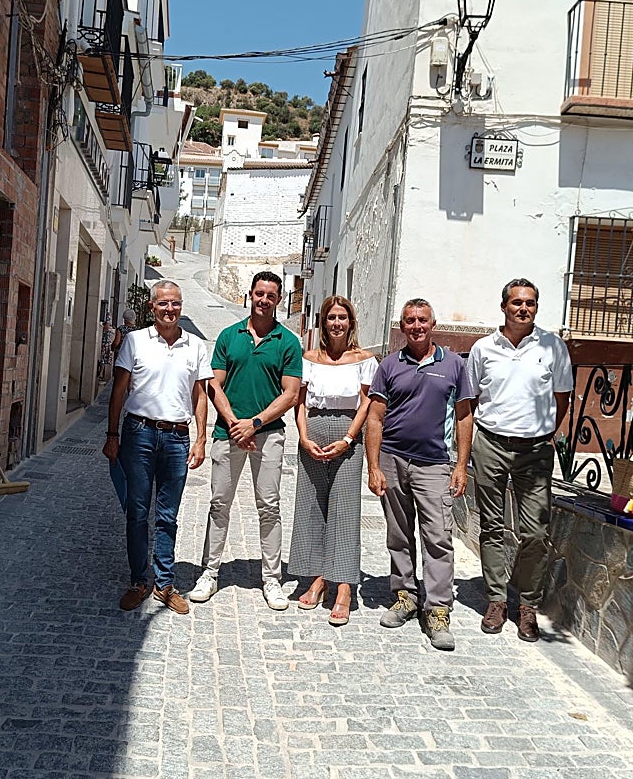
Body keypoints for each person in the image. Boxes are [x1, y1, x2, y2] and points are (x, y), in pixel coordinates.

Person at [466, 278, 573, 642]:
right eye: (516, 303)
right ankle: (496, 600)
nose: (523, 309)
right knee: (492, 527)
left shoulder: (552, 346)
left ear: (536, 308)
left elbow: (563, 399)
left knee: (536, 532)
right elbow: (470, 401)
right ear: (504, 306)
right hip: (491, 444)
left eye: (530, 303)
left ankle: (527, 604)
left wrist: (543, 432)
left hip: (535, 450)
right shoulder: (483, 349)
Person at [189, 271, 302, 610]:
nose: (264, 300)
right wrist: (236, 425)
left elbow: (291, 394)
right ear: (249, 295)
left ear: (278, 299)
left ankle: (271, 579)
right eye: (259, 293)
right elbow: (214, 385)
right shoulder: (229, 336)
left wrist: (254, 424)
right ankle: (209, 573)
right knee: (218, 504)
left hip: (268, 436)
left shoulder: (288, 341)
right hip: (228, 434)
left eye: (270, 295)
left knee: (269, 506)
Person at [366, 298, 474, 651]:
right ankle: (405, 596)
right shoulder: (389, 366)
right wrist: (374, 466)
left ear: (433, 323)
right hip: (394, 459)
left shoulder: (455, 365)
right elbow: (375, 417)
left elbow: (463, 416)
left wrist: (461, 465)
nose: (416, 326)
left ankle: (438, 609)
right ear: (402, 326)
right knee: (399, 535)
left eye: (422, 320)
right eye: (409, 321)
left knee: (438, 537)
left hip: (435, 464)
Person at [103, 280, 212, 614]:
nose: (170, 309)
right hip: (138, 434)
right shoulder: (135, 342)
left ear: (181, 306)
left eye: (176, 303)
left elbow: (200, 394)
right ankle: (139, 580)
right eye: (163, 303)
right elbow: (119, 390)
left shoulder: (195, 346)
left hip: (177, 438)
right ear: (152, 307)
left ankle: (164, 584)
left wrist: (201, 439)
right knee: (137, 512)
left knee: (168, 516)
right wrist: (112, 434)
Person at [289, 296, 376, 626]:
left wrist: (348, 439)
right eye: (331, 318)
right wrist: (303, 435)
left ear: (351, 323)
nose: (337, 323)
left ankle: (343, 587)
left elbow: (366, 404)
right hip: (313, 431)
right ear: (323, 323)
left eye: (343, 318)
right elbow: (299, 401)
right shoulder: (309, 358)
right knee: (312, 506)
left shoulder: (366, 360)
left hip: (346, 436)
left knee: (344, 509)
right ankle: (318, 577)